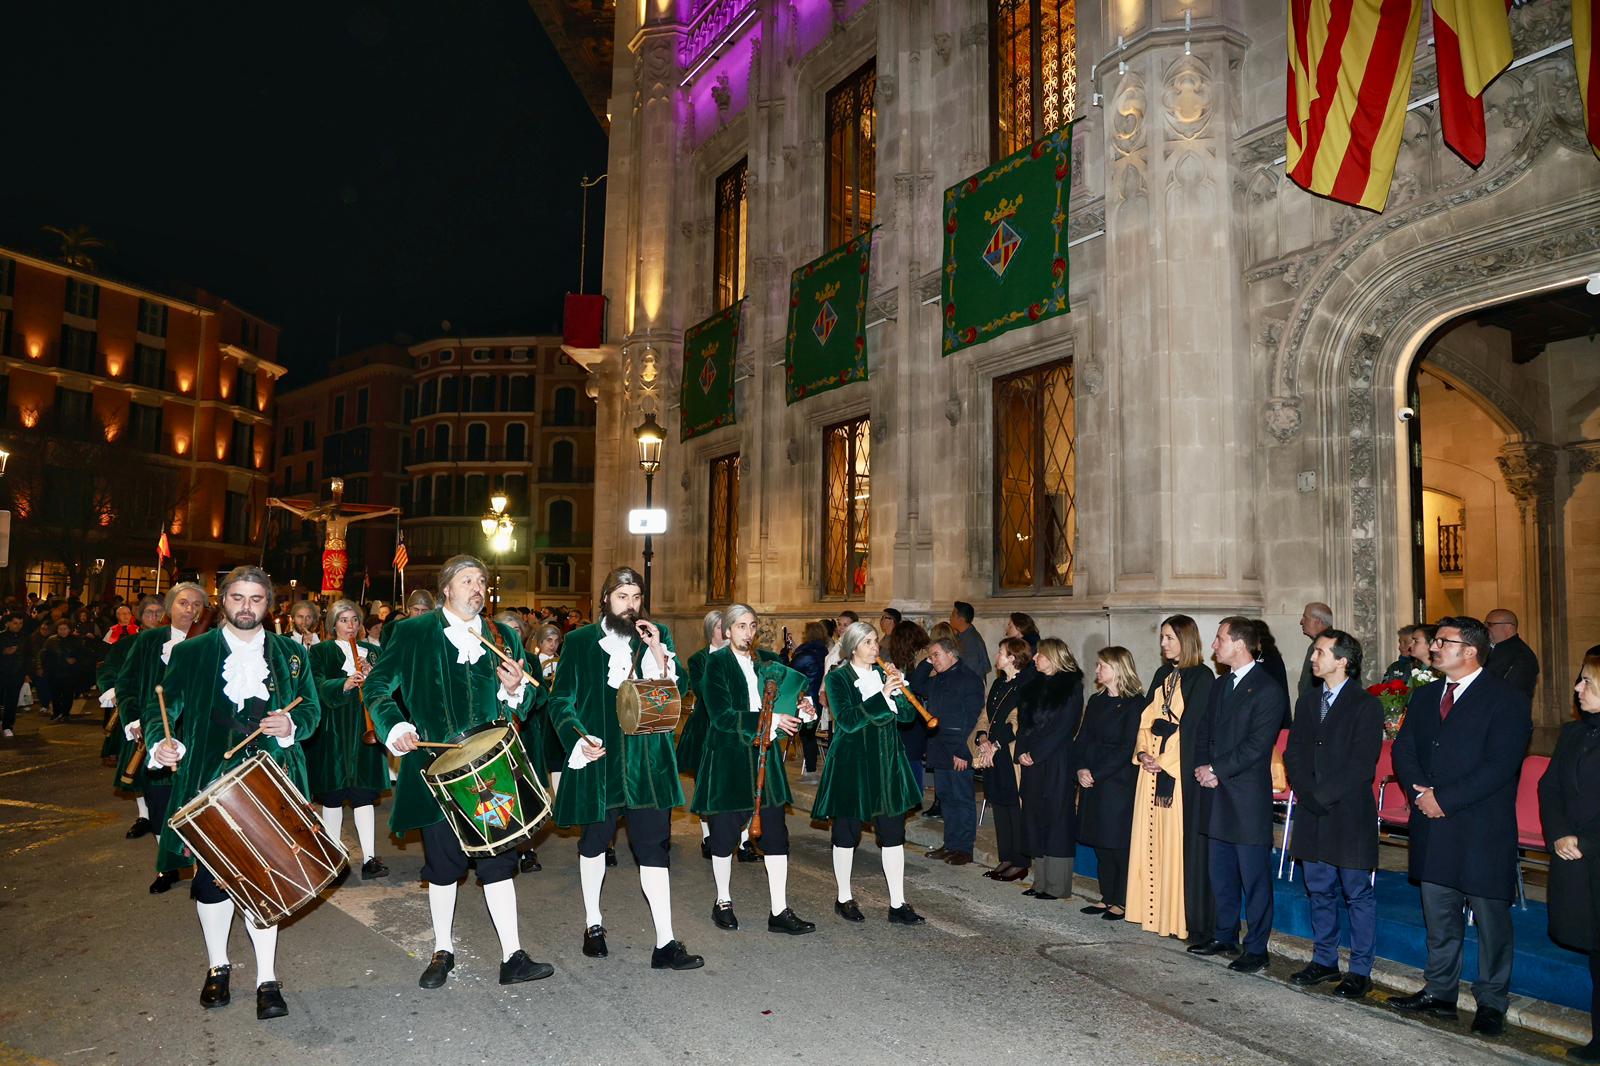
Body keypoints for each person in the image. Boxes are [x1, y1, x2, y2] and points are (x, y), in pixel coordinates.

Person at [362, 555, 554, 990]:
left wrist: (513, 688)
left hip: (492, 769)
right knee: (443, 865)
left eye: (481, 580)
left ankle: (513, 956)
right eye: (467, 580)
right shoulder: (411, 632)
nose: (477, 587)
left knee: (499, 860)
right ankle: (442, 950)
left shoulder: (502, 635)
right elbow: (377, 687)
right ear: (446, 588)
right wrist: (395, 725)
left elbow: (527, 703)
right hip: (436, 769)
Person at [145, 567, 321, 1020]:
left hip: (273, 782)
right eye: (238, 597)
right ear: (221, 601)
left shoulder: (291, 654)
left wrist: (292, 725)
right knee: (211, 884)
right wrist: (163, 743)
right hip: (207, 783)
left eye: (256, 599)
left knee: (267, 882)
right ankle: (217, 966)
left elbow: (313, 710)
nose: (247, 607)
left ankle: (267, 977)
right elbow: (161, 708)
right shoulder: (191, 652)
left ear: (269, 604)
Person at [547, 566, 703, 971]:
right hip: (601, 762)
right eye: (622, 598)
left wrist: (655, 652)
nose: (630, 606)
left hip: (647, 764)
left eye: (636, 598)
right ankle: (593, 923)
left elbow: (677, 689)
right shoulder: (581, 642)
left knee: (655, 848)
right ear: (605, 600)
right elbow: (560, 701)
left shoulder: (657, 635)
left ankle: (665, 942)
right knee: (594, 844)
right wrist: (577, 736)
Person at [1389, 616, 1532, 1036]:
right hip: (1433, 824)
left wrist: (1443, 799)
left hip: (1480, 826)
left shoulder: (1506, 698)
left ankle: (1491, 1001)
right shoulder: (1426, 695)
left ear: (1470, 650)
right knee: (1439, 914)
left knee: (1491, 922)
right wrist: (1420, 795)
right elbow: (1405, 748)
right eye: (1434, 641)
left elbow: (1501, 765)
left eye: (1442, 642)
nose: (1433, 647)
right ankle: (1439, 992)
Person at [690, 604, 817, 935]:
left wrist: (802, 709)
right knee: (723, 834)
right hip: (728, 758)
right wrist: (771, 719)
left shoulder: (768, 664)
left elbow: (786, 701)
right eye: (741, 626)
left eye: (752, 626)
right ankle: (723, 901)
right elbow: (722, 716)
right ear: (727, 631)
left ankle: (779, 910)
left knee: (776, 834)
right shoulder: (715, 665)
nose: (748, 632)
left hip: (766, 758)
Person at [1283, 629, 1384, 999]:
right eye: (1314, 651)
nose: (1313, 657)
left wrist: (1320, 795)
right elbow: (1293, 752)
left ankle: (1360, 970)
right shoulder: (1308, 701)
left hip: (1348, 813)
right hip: (1312, 811)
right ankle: (1324, 960)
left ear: (1343, 661)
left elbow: (1362, 764)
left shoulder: (1365, 704)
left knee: (1356, 893)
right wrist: (1307, 792)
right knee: (1319, 889)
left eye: (1321, 651)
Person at [1188, 617, 1288, 974]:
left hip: (1245, 797)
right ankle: (1224, 934)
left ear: (1240, 645)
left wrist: (1216, 770)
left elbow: (1257, 747)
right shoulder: (1220, 685)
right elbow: (1203, 733)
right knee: (1221, 872)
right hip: (1215, 792)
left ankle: (1257, 947)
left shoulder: (1267, 689)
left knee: (1254, 877)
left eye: (1219, 639)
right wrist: (1203, 767)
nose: (1214, 646)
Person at [812, 621, 925, 925]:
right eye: (868, 643)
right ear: (852, 647)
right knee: (846, 832)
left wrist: (901, 692)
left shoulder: (883, 674)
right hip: (852, 764)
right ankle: (844, 897)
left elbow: (909, 718)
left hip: (887, 763)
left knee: (893, 834)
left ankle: (898, 903)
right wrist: (881, 696)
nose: (876, 648)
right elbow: (847, 720)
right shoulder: (838, 679)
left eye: (876, 641)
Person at [1127, 615, 1216, 942]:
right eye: (1162, 637)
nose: (1163, 644)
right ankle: (1150, 911)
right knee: (1150, 839)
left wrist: (1163, 761)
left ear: (1185, 639)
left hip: (1175, 777)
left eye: (1169, 638)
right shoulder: (1163, 674)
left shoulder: (1203, 678)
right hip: (1151, 769)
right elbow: (1145, 719)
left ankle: (1175, 916)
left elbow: (1193, 730)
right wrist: (1142, 754)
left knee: (1173, 844)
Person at [117, 583, 208, 893]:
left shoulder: (211, 643)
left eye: (197, 604)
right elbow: (126, 684)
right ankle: (166, 867)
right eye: (183, 602)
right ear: (171, 607)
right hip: (158, 736)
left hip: (196, 737)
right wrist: (133, 721)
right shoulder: (148, 641)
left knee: (196, 804)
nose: (190, 609)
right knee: (159, 806)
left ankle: (201, 868)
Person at [1540, 653, 1600, 1062]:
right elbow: (1550, 788)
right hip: (1577, 857)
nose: (1577, 690)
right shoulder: (1574, 734)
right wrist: (1561, 833)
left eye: (1587, 682)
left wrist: (1587, 842)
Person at [305, 599, 389, 880]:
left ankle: (369, 859)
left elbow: (389, 688)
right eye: (344, 620)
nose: (350, 626)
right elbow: (313, 686)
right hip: (333, 731)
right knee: (333, 797)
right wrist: (343, 683)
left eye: (354, 620)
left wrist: (372, 674)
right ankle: (333, 860)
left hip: (364, 731)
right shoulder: (320, 652)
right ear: (333, 624)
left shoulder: (374, 653)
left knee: (363, 795)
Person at [1075, 647, 1144, 919]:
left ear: (1117, 669)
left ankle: (1123, 899)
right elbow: (1082, 738)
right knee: (1101, 842)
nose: (1096, 671)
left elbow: (1128, 747)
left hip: (1117, 782)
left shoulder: (1135, 703)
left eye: (1102, 666)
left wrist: (1097, 773)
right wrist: (1080, 768)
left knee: (1117, 842)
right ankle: (1107, 896)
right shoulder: (1096, 701)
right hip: (1092, 776)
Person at [1016, 638, 1086, 901]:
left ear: (1053, 657)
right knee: (1034, 816)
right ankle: (1040, 880)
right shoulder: (1032, 686)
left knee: (1056, 818)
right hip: (1032, 760)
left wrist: (1036, 753)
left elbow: (1064, 728)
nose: (1035, 659)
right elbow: (1023, 723)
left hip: (1056, 760)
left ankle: (1057, 885)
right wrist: (1021, 750)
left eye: (1040, 656)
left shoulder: (1071, 688)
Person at [919, 637, 985, 866]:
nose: (933, 660)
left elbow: (973, 718)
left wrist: (963, 751)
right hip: (939, 746)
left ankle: (964, 849)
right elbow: (916, 685)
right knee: (946, 797)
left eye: (936, 655)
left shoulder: (969, 679)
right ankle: (950, 844)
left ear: (950, 654)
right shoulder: (939, 678)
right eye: (930, 656)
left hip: (958, 748)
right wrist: (927, 663)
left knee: (961, 799)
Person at [975, 637, 1035, 883]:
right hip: (991, 752)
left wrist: (996, 744)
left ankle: (1020, 861)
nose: (997, 656)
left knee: (1013, 804)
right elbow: (985, 715)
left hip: (1008, 753)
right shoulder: (999, 684)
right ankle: (1006, 857)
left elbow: (1018, 721)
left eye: (1001, 652)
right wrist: (982, 738)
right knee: (998, 802)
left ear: (1012, 658)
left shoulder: (1026, 685)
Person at [106, 596, 162, 836]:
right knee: (136, 767)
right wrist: (111, 689)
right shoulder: (127, 644)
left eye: (159, 612)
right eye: (149, 613)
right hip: (137, 711)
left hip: (167, 712)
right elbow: (109, 670)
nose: (154, 617)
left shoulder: (178, 642)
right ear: (140, 615)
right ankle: (144, 816)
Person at [679, 610, 727, 859]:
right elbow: (701, 689)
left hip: (733, 727)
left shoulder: (742, 657)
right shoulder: (699, 660)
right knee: (704, 784)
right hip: (705, 726)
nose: (726, 631)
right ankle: (708, 836)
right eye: (721, 627)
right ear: (711, 631)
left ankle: (742, 841)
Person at [884, 620, 933, 805]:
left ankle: (914, 797)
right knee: (910, 755)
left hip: (919, 715)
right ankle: (911, 795)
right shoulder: (914, 656)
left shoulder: (922, 657)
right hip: (915, 714)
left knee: (912, 755)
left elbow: (917, 685)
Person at [787, 621, 830, 781]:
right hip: (819, 697)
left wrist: (787, 656)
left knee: (807, 734)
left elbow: (790, 671)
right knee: (809, 733)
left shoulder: (807, 654)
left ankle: (811, 771)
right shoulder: (823, 651)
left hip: (807, 698)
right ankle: (810, 768)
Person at [1485, 608, 1540, 700]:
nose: (1485, 628)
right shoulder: (1487, 649)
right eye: (1485, 624)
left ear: (1508, 627)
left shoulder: (1523, 656)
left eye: (1490, 624)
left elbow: (1510, 692)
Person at [40, 619, 83, 722]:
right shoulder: (51, 640)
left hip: (69, 672)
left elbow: (82, 653)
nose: (63, 631)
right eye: (60, 629)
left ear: (69, 630)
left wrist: (75, 659)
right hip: (54, 671)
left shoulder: (75, 640)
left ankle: (65, 713)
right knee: (55, 694)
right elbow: (44, 654)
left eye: (65, 629)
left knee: (68, 694)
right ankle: (56, 712)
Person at [0, 614, 29, 737]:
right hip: (2, 671)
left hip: (17, 673)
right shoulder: (1, 637)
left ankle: (8, 725)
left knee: (12, 700)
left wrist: (27, 673)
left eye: (20, 623)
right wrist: (4, 652)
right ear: (8, 623)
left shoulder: (24, 638)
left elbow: (28, 656)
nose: (18, 626)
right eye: (15, 623)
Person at [1297, 602, 1334, 696]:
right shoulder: (1317, 644)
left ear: (1318, 621)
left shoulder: (1333, 645)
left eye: (1305, 617)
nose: (1301, 621)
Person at [950, 601, 991, 681]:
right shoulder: (963, 635)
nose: (950, 618)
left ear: (961, 620)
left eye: (953, 615)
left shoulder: (972, 640)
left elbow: (970, 670)